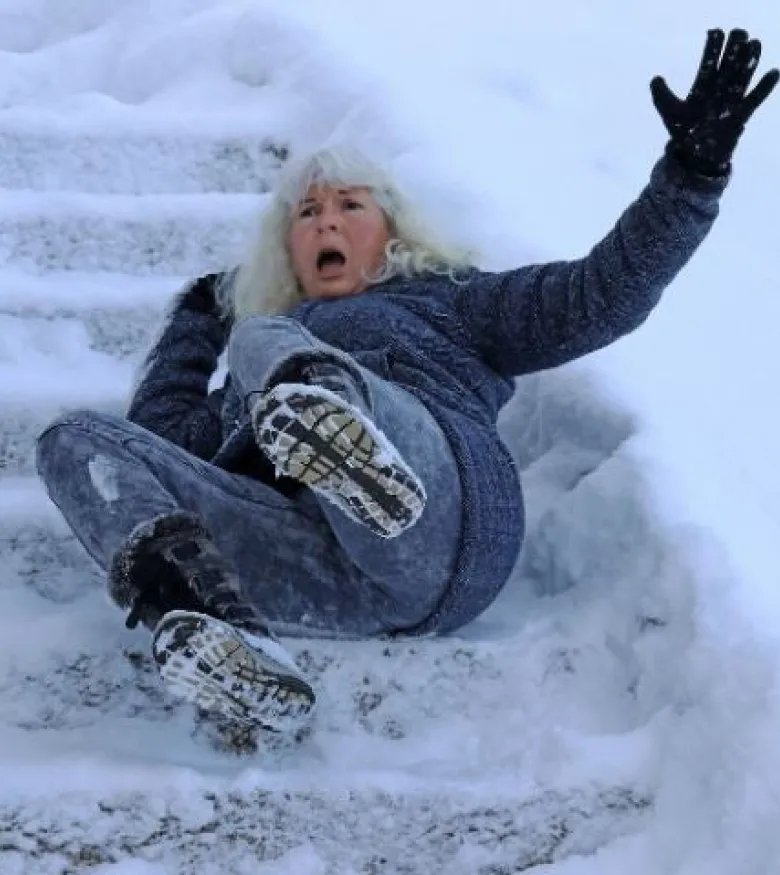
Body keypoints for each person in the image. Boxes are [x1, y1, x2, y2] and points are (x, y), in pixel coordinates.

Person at [36, 29, 777, 735]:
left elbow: (599, 295)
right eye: (307, 213)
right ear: (288, 247)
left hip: (440, 525)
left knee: (269, 337)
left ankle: (349, 443)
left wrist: (690, 178)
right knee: (74, 441)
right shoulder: (250, 372)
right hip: (317, 573)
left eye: (348, 205)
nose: (326, 222)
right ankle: (220, 629)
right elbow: (155, 447)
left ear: (390, 230)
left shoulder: (452, 300)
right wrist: (198, 320)